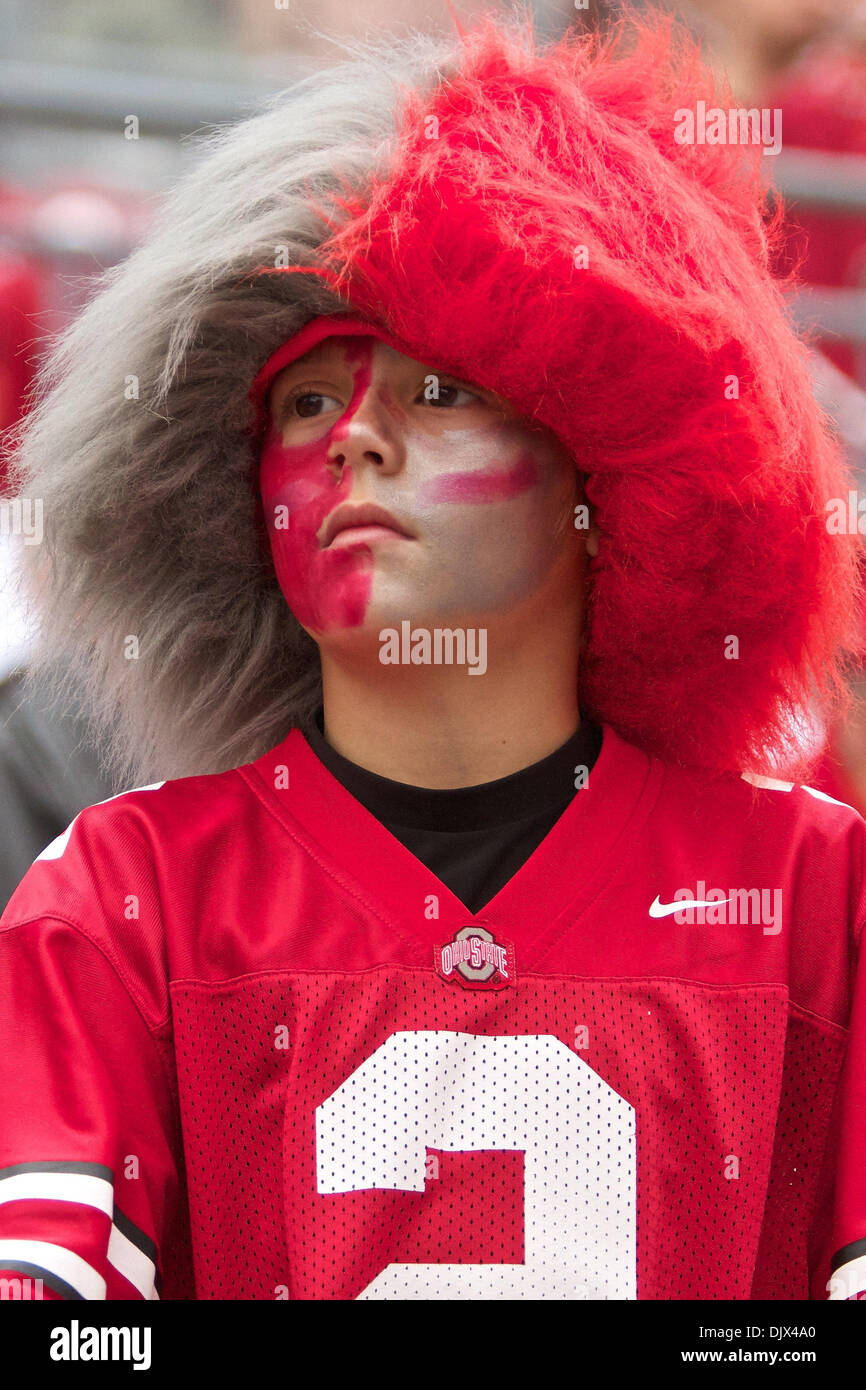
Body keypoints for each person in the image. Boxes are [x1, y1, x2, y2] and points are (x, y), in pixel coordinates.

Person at [0, 6, 863, 1301]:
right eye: (303, 400)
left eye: (438, 390)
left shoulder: (816, 894)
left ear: (608, 474)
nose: (351, 438)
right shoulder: (122, 890)